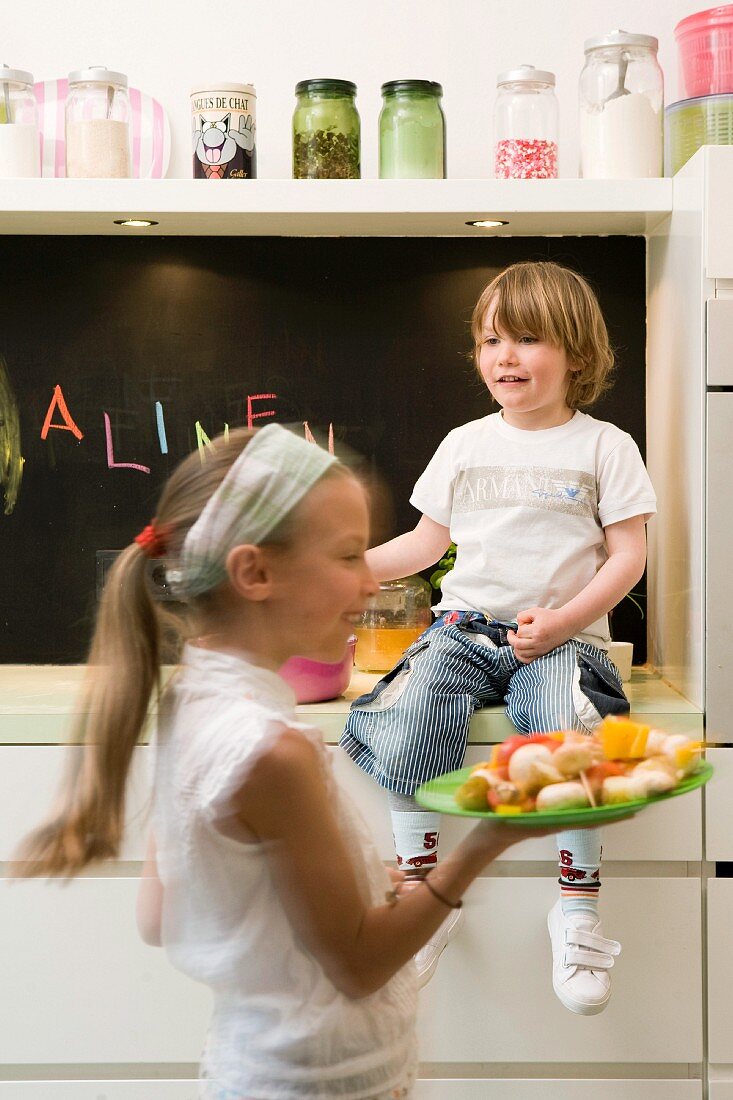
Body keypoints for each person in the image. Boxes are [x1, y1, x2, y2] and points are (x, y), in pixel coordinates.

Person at [11, 422, 573, 1099]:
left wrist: (355, 884)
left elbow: (163, 914)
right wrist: (487, 838)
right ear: (254, 572)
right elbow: (361, 964)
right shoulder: (271, 751)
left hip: (250, 1069)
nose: (367, 583)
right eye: (345, 556)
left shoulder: (192, 700)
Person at [340, 261, 656, 1015]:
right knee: (411, 711)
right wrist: (342, 572)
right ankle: (418, 900)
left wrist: (566, 622)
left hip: (560, 639)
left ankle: (575, 910)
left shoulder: (604, 447)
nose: (503, 356)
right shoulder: (463, 443)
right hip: (460, 629)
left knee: (566, 734)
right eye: (489, 340)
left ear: (576, 354)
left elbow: (628, 555)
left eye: (526, 338)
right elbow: (423, 545)